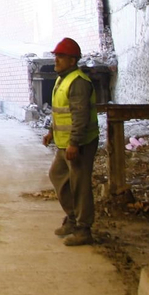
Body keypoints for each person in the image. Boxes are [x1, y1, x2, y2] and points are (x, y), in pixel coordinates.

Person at [43, 37, 98, 246]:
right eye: (56, 55)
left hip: (80, 144)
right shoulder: (62, 79)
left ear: (72, 60)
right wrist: (51, 132)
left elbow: (80, 116)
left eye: (61, 56)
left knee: (80, 186)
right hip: (64, 143)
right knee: (57, 176)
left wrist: (75, 143)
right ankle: (73, 219)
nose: (56, 59)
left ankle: (84, 229)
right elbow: (61, 112)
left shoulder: (78, 82)